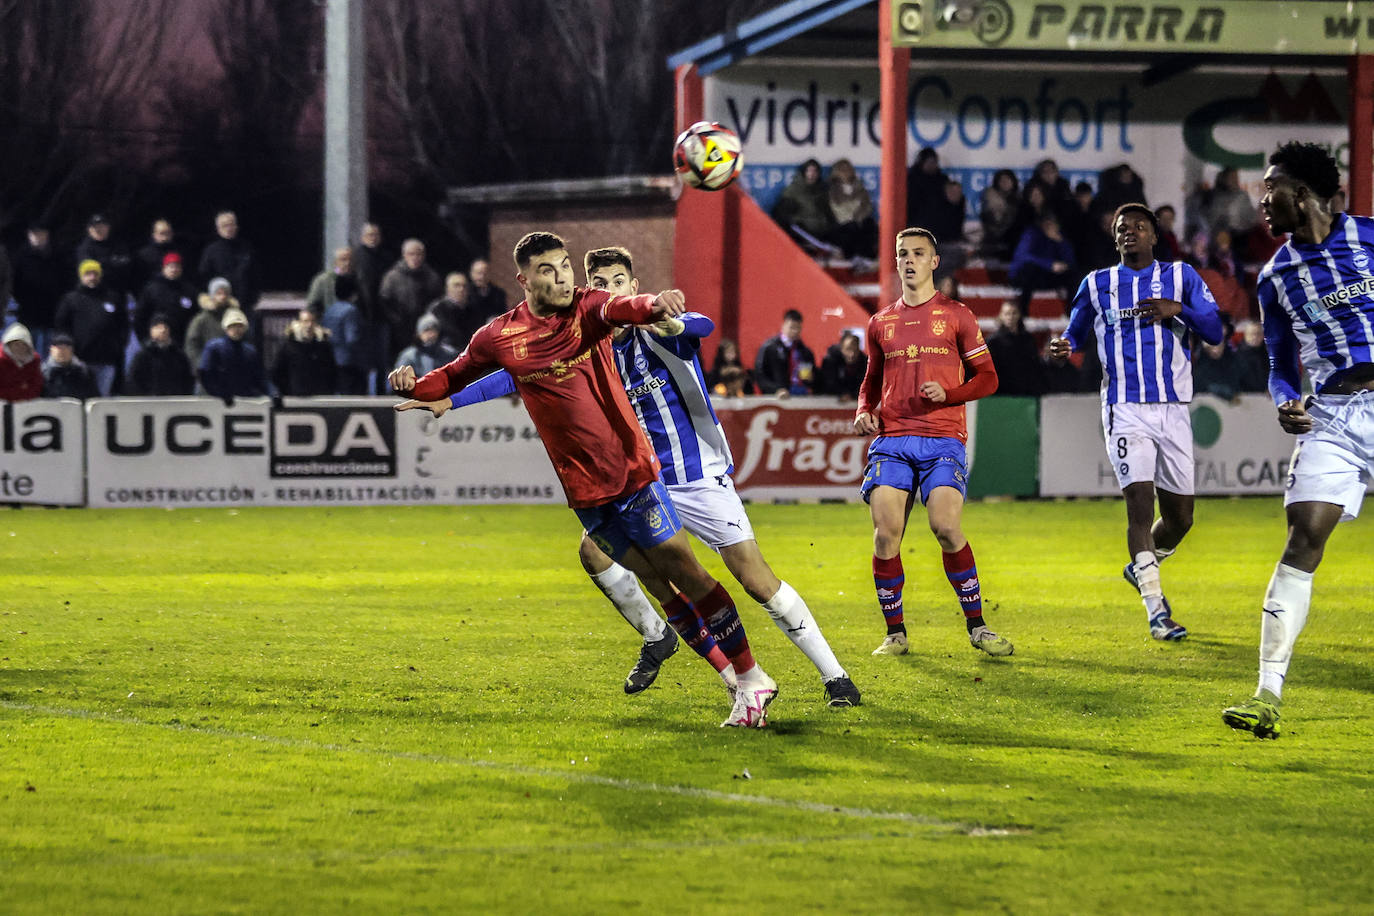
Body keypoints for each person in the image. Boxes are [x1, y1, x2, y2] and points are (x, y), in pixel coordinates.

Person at [438, 246, 860, 707]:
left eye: (618, 282)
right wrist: (449, 399)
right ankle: (659, 636)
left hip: (698, 477)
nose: (608, 291)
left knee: (757, 582)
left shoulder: (660, 330)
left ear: (633, 288)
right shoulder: (585, 343)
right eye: (598, 285)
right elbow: (510, 375)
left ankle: (835, 676)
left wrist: (671, 320)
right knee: (594, 553)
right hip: (643, 483)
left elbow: (701, 326)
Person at [390, 231, 779, 728]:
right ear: (524, 279)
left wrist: (654, 303)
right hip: (585, 492)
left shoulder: (587, 310)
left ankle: (751, 677)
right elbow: (453, 375)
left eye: (565, 266)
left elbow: (625, 309)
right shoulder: (498, 337)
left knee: (687, 573)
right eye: (548, 270)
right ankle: (733, 680)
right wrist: (413, 383)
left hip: (632, 475)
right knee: (658, 585)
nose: (562, 276)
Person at [1221, 142, 1374, 739]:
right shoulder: (1276, 276)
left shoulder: (1368, 237)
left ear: (1303, 192)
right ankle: (1266, 694)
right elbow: (1281, 363)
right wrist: (1284, 397)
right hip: (1333, 416)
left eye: (1271, 187)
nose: (1262, 200)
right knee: (1304, 534)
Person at [1049, 203, 1225, 641]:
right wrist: (1063, 345)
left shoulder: (1182, 277)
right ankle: (1156, 609)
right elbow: (1075, 330)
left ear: (1154, 235)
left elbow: (1217, 331)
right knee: (1139, 507)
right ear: (1115, 239)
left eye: (1139, 226)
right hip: (1124, 408)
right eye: (1121, 227)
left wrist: (1176, 309)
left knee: (1181, 518)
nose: (1130, 232)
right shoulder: (1097, 284)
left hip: (1174, 408)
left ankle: (1142, 565)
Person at [855, 227, 1013, 658]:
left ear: (934, 262)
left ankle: (978, 626)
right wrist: (863, 410)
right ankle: (896, 634)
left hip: (943, 438)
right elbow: (870, 382)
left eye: (918, 253)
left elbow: (989, 378)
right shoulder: (880, 322)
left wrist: (951, 394)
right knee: (885, 535)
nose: (908, 260)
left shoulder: (958, 315)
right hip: (892, 440)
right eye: (902, 253)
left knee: (945, 527)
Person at [53, 259, 127, 397]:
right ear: (81, 276)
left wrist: (118, 345)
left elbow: (123, 325)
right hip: (79, 361)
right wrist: (70, 351)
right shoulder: (70, 299)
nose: (92, 277)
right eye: (88, 274)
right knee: (79, 398)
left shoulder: (112, 297)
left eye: (95, 274)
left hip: (107, 360)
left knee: (101, 401)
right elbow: (61, 326)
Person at [379, 239, 444, 362]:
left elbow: (438, 301)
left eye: (418, 254)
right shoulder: (392, 277)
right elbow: (384, 302)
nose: (415, 257)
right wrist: (396, 319)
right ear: (404, 255)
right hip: (400, 330)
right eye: (411, 254)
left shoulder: (431, 276)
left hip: (425, 329)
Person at [12, 224, 64, 353]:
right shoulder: (21, 257)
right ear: (29, 236)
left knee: (50, 350)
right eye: (34, 234)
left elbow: (64, 280)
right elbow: (14, 283)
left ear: (47, 235)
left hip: (51, 312)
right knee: (28, 349)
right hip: (28, 311)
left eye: (40, 234)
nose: (37, 237)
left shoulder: (57, 256)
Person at [1009, 213, 1076, 311]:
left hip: (1048, 277)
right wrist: (1049, 265)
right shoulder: (1031, 234)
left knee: (1073, 274)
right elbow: (1024, 256)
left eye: (1053, 223)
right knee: (1029, 270)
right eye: (1047, 223)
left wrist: (1061, 242)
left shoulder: (1059, 237)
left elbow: (1070, 261)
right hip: (1026, 276)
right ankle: (1023, 312)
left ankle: (1071, 312)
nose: (1050, 227)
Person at [199, 308, 268, 400]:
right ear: (226, 328)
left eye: (240, 326)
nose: (236, 329)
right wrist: (220, 393)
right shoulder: (214, 347)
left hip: (243, 401)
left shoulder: (250, 351)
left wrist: (272, 392)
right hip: (215, 402)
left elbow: (260, 377)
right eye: (233, 325)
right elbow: (206, 375)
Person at [197, 210, 260, 311]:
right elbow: (204, 278)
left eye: (231, 225)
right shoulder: (211, 251)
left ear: (236, 226)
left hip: (245, 305)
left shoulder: (246, 248)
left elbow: (255, 276)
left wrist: (253, 299)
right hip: (220, 306)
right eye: (224, 226)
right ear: (218, 229)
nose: (228, 229)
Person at [772, 159, 838, 254]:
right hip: (802, 231)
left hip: (821, 231)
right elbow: (782, 215)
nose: (812, 174)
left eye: (815, 171)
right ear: (803, 172)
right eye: (809, 171)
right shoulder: (793, 191)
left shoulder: (823, 191)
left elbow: (829, 214)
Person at [134, 253, 198, 345]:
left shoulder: (189, 290)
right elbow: (140, 317)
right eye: (170, 266)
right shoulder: (152, 289)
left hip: (182, 342)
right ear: (164, 268)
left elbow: (194, 317)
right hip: (156, 341)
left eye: (177, 267)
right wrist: (145, 340)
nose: (174, 270)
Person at [125, 314, 195, 396]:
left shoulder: (179, 356)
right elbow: (134, 381)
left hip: (175, 402)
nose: (163, 330)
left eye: (165, 327)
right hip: (149, 403)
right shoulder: (143, 356)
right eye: (158, 327)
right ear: (151, 330)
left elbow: (187, 380)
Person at [272, 308, 337, 396]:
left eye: (312, 321)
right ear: (298, 324)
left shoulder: (323, 347)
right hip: (295, 396)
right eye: (305, 321)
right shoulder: (287, 347)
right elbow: (277, 373)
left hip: (319, 397)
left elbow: (331, 371)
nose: (309, 325)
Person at [322, 275, 369, 395]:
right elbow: (352, 338)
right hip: (350, 363)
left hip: (332, 359)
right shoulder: (351, 311)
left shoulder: (329, 310)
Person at [986, 300, 1044, 396]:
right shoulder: (993, 342)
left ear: (1019, 315)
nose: (1010, 317)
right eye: (1007, 314)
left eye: (1014, 313)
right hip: (1001, 395)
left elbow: (1034, 366)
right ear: (1001, 315)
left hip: (1025, 394)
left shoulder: (1028, 340)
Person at [754, 309, 815, 396]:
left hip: (801, 394)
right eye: (792, 327)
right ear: (783, 325)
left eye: (798, 328)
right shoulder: (769, 347)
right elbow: (760, 375)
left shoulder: (805, 351)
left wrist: (809, 382)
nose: (795, 331)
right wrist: (775, 390)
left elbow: (810, 374)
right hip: (778, 395)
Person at [185, 277, 236, 376]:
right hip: (207, 372)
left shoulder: (235, 317)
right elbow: (191, 345)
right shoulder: (201, 319)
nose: (223, 297)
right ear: (212, 295)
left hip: (231, 372)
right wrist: (201, 364)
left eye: (226, 293)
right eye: (219, 293)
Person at [73, 213, 131, 301]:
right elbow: (89, 268)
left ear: (108, 227)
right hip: (92, 294)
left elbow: (126, 263)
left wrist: (103, 263)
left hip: (116, 290)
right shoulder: (84, 248)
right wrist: (111, 262)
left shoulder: (118, 244)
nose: (98, 229)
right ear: (89, 230)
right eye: (95, 227)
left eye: (102, 226)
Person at [828, 158, 876, 260]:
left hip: (859, 220)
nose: (845, 172)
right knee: (850, 228)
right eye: (842, 170)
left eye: (848, 169)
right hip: (841, 223)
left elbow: (866, 206)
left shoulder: (860, 187)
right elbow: (837, 208)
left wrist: (859, 216)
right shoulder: (832, 189)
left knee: (869, 225)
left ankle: (868, 257)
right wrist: (853, 213)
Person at [427, 271, 484, 351]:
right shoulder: (438, 309)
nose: (461, 289)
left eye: (464, 286)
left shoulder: (474, 309)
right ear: (447, 288)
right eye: (456, 285)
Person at [393, 314, 458, 376]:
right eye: (426, 330)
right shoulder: (408, 357)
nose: (431, 334)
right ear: (419, 334)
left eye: (434, 330)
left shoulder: (449, 354)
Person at [979, 168, 1023, 260]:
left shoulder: (1020, 198)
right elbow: (992, 222)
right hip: (995, 238)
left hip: (1015, 238)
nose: (1005, 183)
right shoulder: (990, 197)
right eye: (1002, 180)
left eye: (1008, 180)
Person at [1205, 167, 1259, 242]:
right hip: (1220, 236)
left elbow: (1251, 218)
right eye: (1232, 177)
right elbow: (1211, 219)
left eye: (1236, 177)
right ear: (1225, 179)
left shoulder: (1242, 196)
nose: (1235, 180)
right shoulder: (1216, 196)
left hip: (1241, 235)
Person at [41, 334, 100, 400]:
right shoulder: (42, 373)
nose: (62, 351)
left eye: (66, 348)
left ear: (72, 350)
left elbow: (93, 397)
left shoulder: (84, 372)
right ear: (51, 350)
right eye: (59, 348)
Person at [133, 219, 185, 293]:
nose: (165, 237)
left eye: (168, 233)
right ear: (154, 234)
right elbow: (138, 279)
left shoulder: (178, 251)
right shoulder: (144, 254)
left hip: (175, 290)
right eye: (162, 233)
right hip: (152, 292)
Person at [305, 247, 356, 316]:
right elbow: (312, 305)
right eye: (343, 260)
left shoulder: (358, 279)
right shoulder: (323, 280)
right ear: (335, 262)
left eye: (351, 260)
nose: (348, 263)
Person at [818, 330, 867, 399]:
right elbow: (828, 383)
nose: (852, 354)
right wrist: (842, 393)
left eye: (855, 350)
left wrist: (852, 395)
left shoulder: (865, 363)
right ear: (841, 348)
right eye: (848, 349)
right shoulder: (830, 361)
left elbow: (867, 385)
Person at [0, 324, 43, 402]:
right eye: (16, 344)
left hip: (27, 404)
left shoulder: (34, 361)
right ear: (8, 345)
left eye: (24, 345)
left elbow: (36, 386)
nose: (20, 348)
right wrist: (19, 389)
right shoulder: (1, 361)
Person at [465, 257, 508, 323]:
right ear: (471, 274)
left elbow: (504, 314)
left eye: (485, 273)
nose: (482, 277)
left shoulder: (499, 294)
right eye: (479, 273)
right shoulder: (465, 293)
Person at [1234, 319, 1269, 393]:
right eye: (1251, 334)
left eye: (1258, 334)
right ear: (1245, 335)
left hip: (1268, 396)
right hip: (1246, 396)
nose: (1255, 337)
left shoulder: (1268, 354)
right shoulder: (1237, 356)